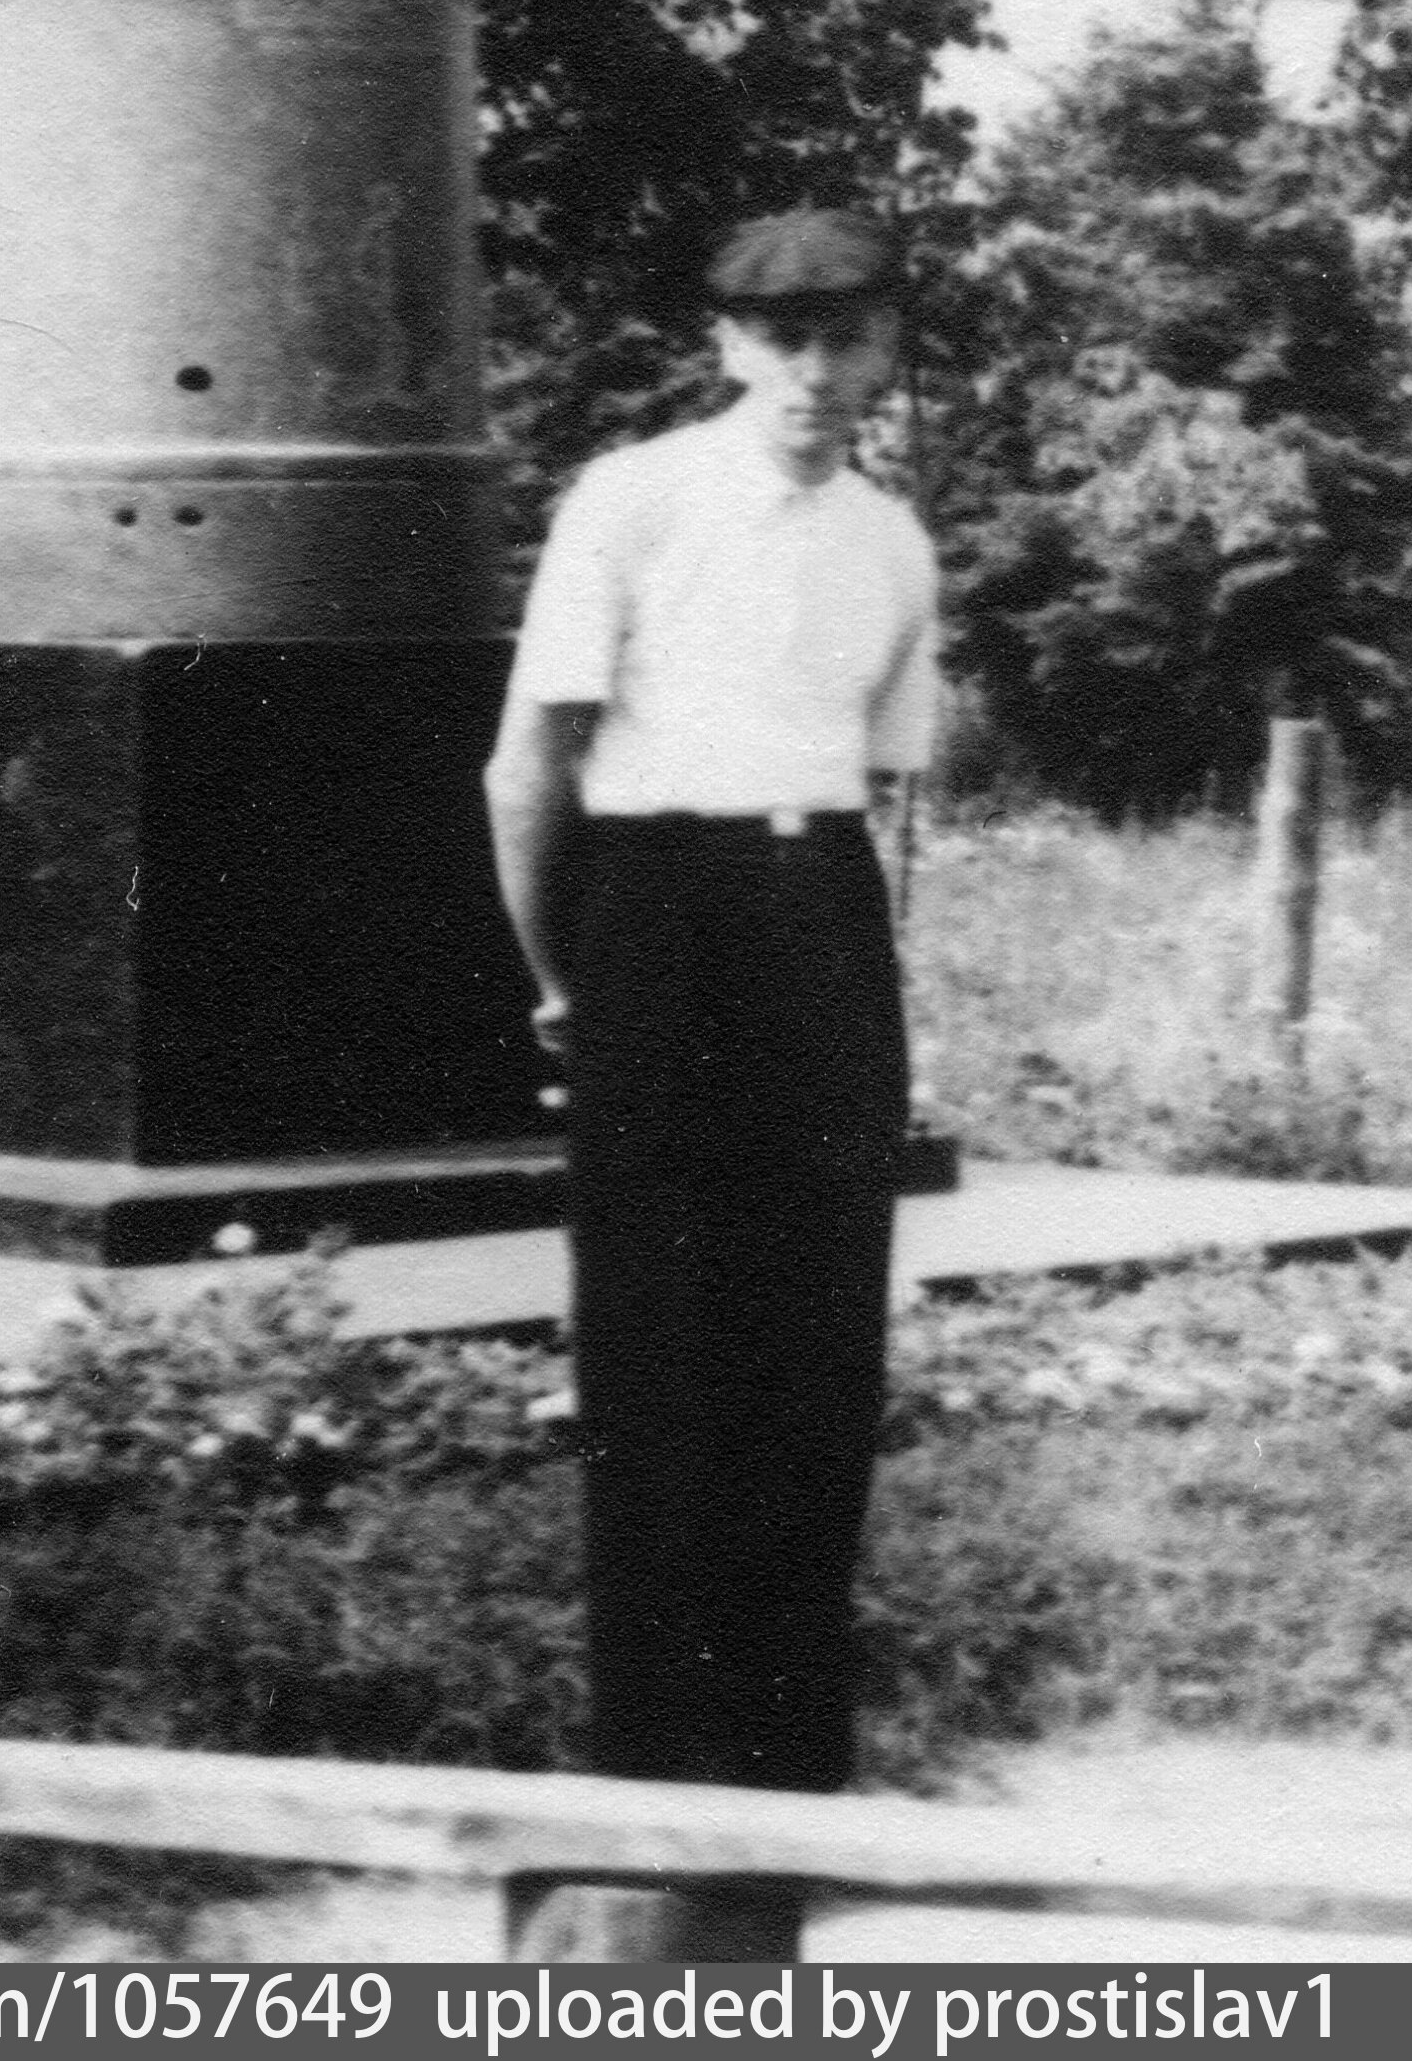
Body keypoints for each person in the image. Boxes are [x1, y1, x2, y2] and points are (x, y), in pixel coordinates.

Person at [482, 205, 936, 1800]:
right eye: (783, 337)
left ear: (887, 347)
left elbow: (884, 780)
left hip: (821, 912)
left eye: (847, 337)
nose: (814, 371)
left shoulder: (892, 540)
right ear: (730, 343)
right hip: (655, 907)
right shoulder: (635, 498)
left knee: (819, 1334)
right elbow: (526, 770)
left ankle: (790, 1768)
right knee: (660, 1335)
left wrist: (844, 962)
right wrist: (565, 977)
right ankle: (659, 1770)